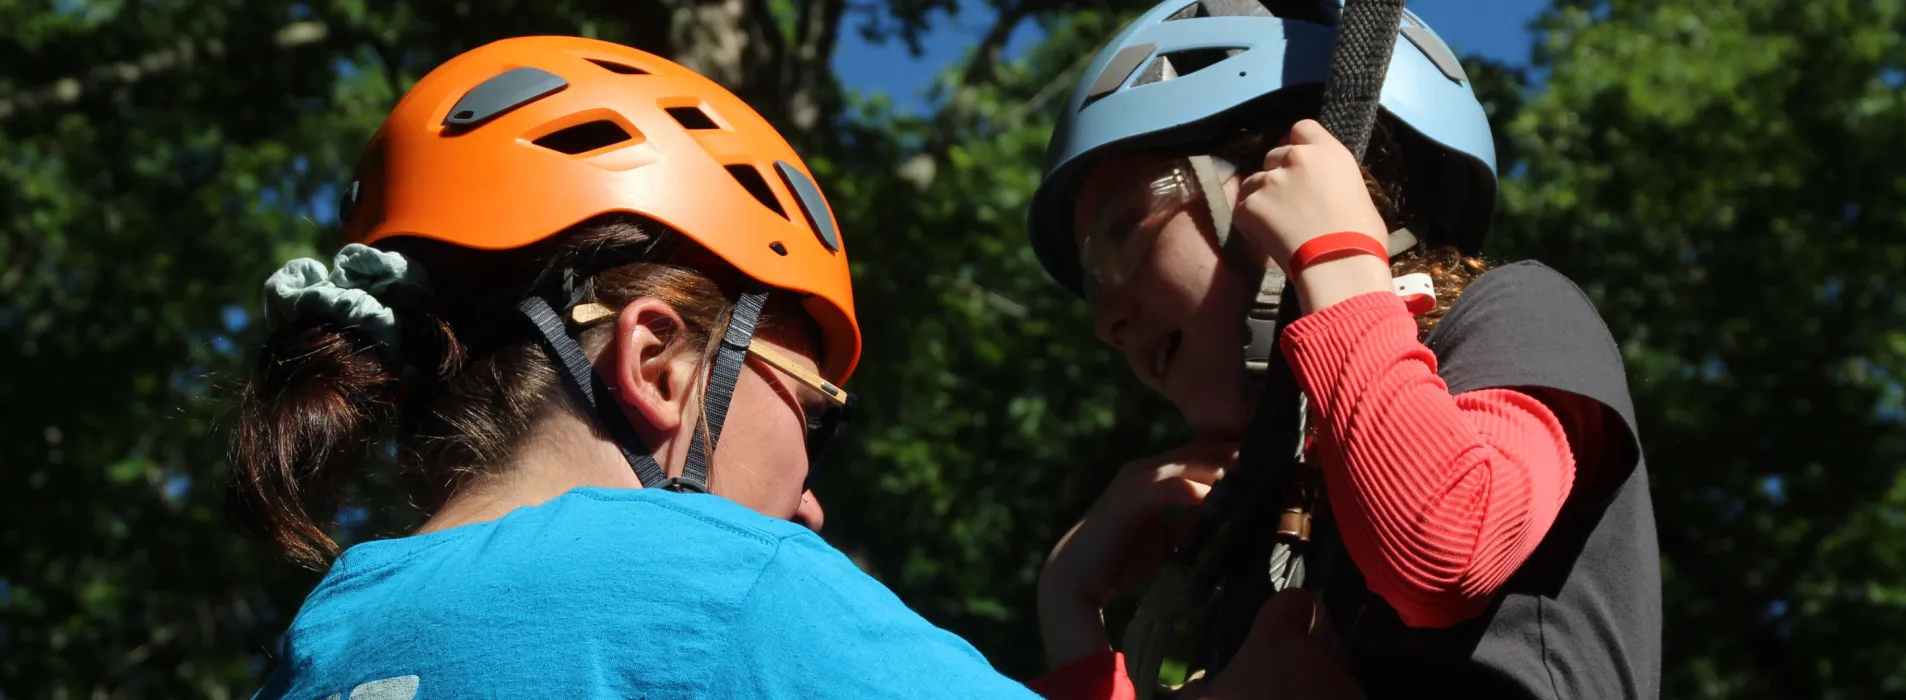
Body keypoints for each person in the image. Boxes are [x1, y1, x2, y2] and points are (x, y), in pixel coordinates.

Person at [227, 35, 1307, 700]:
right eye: (815, 409)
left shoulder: (322, 639)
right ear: (658, 364)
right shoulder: (715, 584)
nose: (813, 503)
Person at [1023, 2, 1660, 698]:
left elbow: (1446, 549)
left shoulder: (1512, 312)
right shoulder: (1262, 522)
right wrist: (1072, 611)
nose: (1104, 320)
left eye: (1121, 234)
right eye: (1090, 288)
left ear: (1285, 172)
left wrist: (1333, 252)